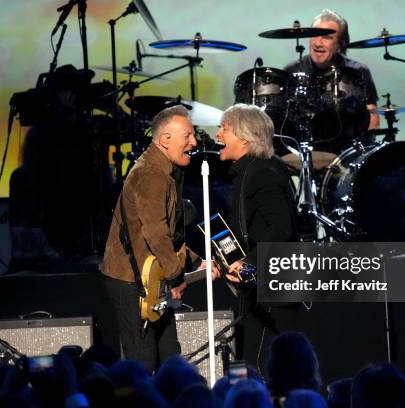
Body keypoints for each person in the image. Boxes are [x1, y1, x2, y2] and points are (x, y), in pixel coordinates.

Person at [101, 105, 218, 372]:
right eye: (187, 135)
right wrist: (176, 277)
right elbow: (155, 233)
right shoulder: (151, 174)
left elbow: (169, 236)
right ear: (165, 140)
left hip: (153, 276)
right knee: (143, 360)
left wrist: (197, 262)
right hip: (132, 279)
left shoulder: (164, 170)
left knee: (169, 355)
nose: (194, 142)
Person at [215, 103, 303, 374]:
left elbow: (281, 228)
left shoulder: (262, 172)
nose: (218, 135)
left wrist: (249, 264)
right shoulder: (251, 170)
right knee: (251, 364)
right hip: (259, 284)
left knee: (258, 368)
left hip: (272, 289)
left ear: (243, 137)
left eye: (224, 129)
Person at [285, 9, 380, 154]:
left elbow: (372, 113)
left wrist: (368, 154)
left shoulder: (358, 71)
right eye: (314, 35)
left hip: (348, 151)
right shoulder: (292, 70)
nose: (318, 43)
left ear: (340, 44)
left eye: (327, 37)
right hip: (305, 151)